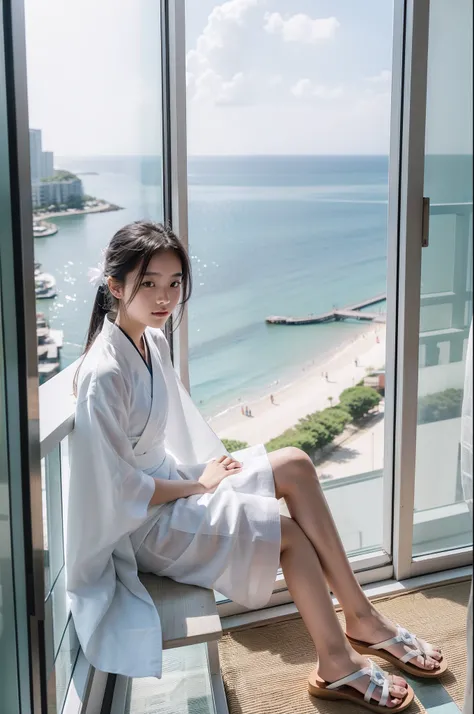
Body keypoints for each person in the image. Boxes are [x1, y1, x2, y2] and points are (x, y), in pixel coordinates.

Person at [67, 221, 445, 711]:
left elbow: (168, 434)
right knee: (286, 533)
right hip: (145, 525)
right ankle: (336, 663)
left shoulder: (150, 341)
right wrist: (199, 485)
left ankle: (362, 616)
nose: (165, 297)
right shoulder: (103, 373)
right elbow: (116, 491)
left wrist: (202, 476)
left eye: (174, 282)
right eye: (149, 283)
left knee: (296, 464)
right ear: (115, 287)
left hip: (177, 484)